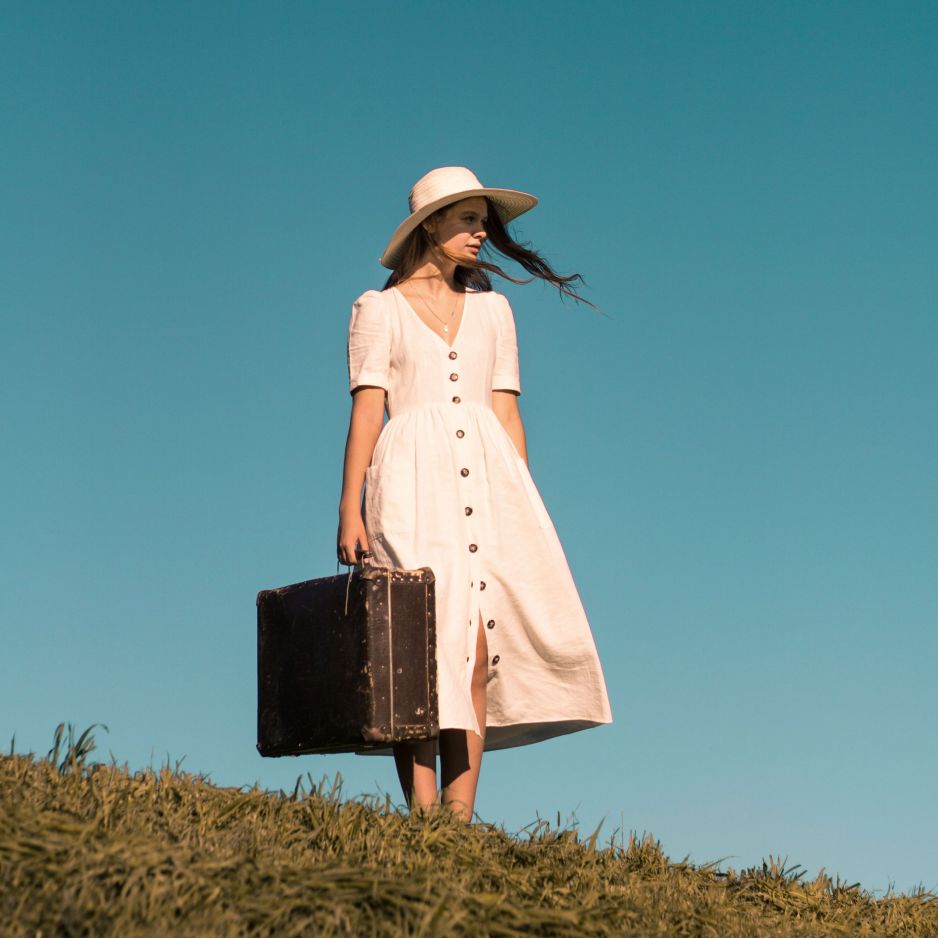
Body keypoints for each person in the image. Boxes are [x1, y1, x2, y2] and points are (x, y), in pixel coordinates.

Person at [337, 166, 612, 821]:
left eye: (483, 220)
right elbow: (368, 414)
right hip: (407, 484)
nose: (481, 232)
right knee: (417, 643)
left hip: (490, 484)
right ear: (429, 225)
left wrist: (522, 502)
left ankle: (458, 820)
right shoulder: (378, 310)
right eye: (467, 219)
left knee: (480, 646)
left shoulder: (495, 311)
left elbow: (508, 413)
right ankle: (423, 814)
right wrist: (350, 508)